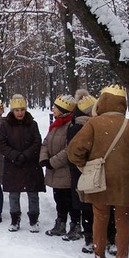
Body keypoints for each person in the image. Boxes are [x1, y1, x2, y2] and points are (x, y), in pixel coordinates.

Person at [68, 84, 129, 258]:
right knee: (123, 222)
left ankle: (99, 256)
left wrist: (84, 165)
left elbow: (74, 151)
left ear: (103, 102)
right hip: (125, 182)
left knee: (100, 217)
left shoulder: (93, 124)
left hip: (100, 180)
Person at [0, 94, 45, 232]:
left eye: (22, 110)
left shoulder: (32, 124)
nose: (20, 113)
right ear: (12, 110)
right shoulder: (5, 125)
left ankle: (34, 219)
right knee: (14, 193)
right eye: (17, 110)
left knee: (33, 193)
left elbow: (37, 141)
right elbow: (1, 144)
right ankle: (15, 219)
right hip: (13, 164)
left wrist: (26, 155)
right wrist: (15, 155)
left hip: (30, 164)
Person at [66, 92, 106, 250]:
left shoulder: (94, 126)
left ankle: (95, 237)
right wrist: (85, 166)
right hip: (86, 172)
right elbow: (74, 152)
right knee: (89, 207)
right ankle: (90, 238)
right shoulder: (78, 127)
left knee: (93, 207)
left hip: (90, 171)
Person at [40, 94, 77, 236]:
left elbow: (69, 149)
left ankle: (75, 226)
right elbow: (45, 143)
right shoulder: (55, 126)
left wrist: (53, 162)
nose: (53, 109)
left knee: (70, 200)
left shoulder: (71, 126)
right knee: (59, 200)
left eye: (55, 107)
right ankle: (60, 224)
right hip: (54, 171)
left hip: (66, 171)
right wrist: (44, 158)